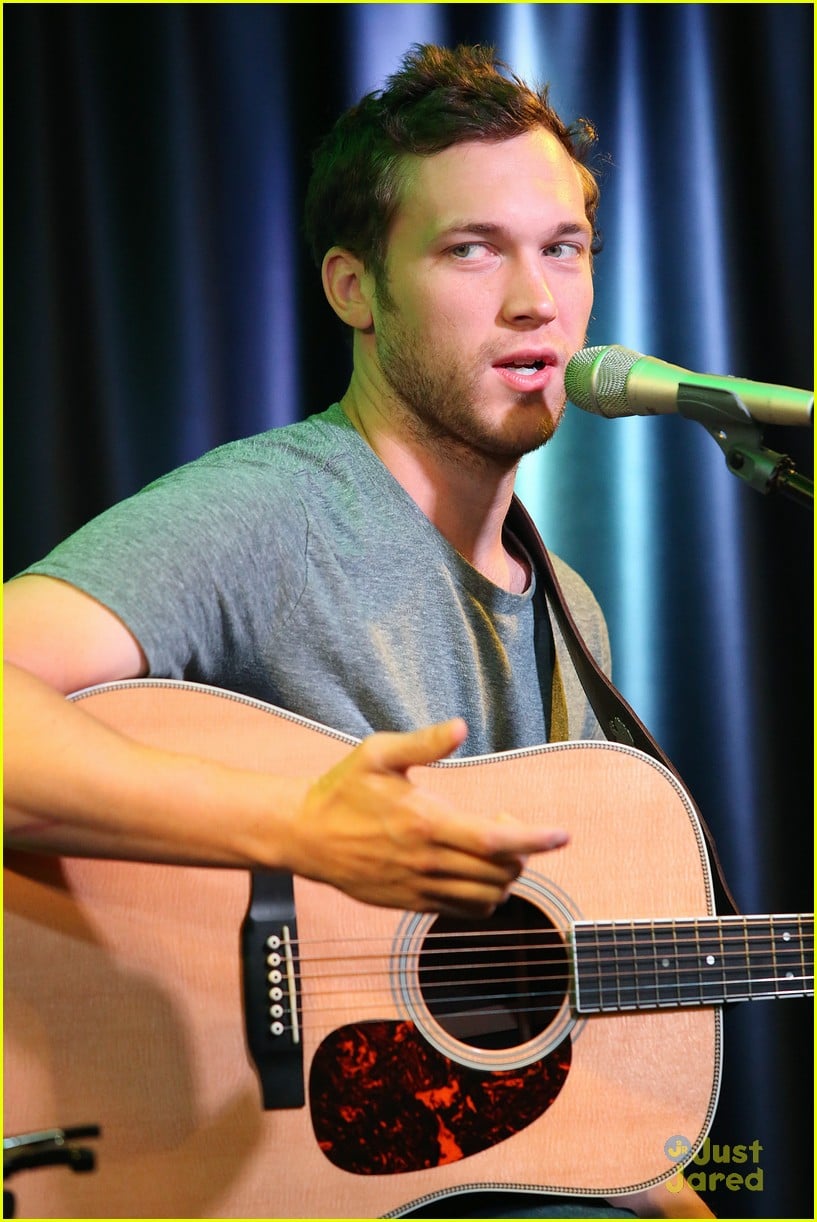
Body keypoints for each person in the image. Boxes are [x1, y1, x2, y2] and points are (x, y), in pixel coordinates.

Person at [4, 43, 714, 1219]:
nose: (535, 298)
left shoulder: (568, 611)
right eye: (470, 249)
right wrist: (298, 827)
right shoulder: (272, 513)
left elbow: (542, 1040)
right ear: (352, 289)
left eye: (563, 248)